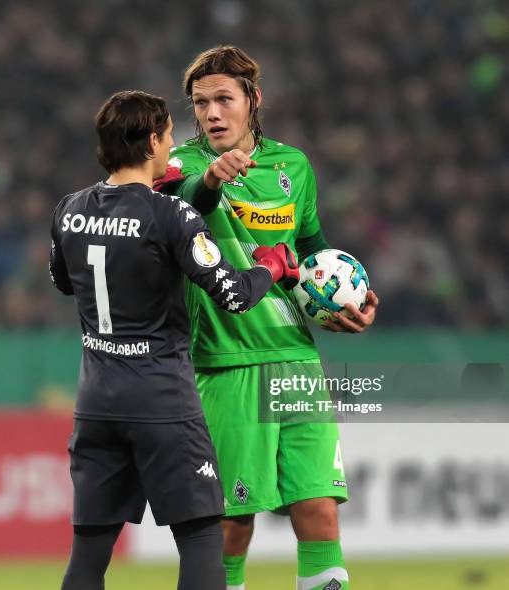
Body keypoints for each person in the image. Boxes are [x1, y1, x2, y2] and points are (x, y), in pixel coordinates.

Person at [49, 90, 301, 590]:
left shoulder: (68, 210)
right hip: (162, 400)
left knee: (89, 552)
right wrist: (270, 266)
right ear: (151, 142)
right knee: (202, 535)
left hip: (96, 401)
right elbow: (231, 292)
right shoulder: (170, 215)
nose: (172, 144)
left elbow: (63, 280)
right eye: (167, 135)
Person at [153, 47, 379, 590]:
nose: (211, 113)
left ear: (252, 100)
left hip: (298, 360)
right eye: (200, 102)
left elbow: (312, 248)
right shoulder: (181, 164)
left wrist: (352, 298)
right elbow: (183, 206)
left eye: (223, 99)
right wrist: (211, 181)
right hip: (227, 362)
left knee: (319, 512)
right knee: (233, 524)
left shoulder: (293, 166)